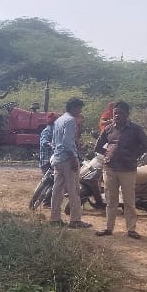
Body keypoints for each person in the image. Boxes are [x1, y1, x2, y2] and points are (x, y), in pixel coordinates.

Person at [92, 101, 147, 239]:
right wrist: (108, 154)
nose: (117, 115)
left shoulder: (135, 129)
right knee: (111, 201)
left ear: (127, 114)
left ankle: (131, 230)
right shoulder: (108, 129)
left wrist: (134, 155)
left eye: (120, 113)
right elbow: (97, 147)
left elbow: (146, 145)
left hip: (127, 169)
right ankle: (108, 228)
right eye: (115, 113)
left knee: (129, 201)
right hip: (110, 168)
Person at [48, 97, 90, 228]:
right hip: (67, 159)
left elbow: (54, 141)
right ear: (73, 108)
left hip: (57, 158)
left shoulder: (59, 120)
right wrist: (73, 158)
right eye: (79, 108)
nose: (80, 111)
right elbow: (67, 142)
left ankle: (55, 218)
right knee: (74, 190)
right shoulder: (71, 120)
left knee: (57, 190)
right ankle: (75, 220)